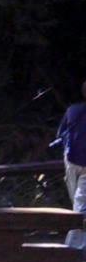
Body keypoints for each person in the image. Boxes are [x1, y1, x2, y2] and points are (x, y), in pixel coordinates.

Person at [52, 81, 86, 213]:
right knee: (81, 203)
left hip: (71, 158)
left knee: (77, 202)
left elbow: (61, 134)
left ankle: (76, 230)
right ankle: (77, 230)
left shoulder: (72, 110)